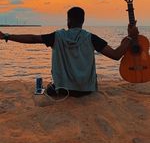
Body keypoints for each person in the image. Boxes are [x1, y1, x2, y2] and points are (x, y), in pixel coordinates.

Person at [0, 7, 139, 97]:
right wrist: (129, 37)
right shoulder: (91, 38)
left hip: (62, 90)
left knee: (48, 87)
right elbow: (116, 55)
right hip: (86, 91)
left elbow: (32, 38)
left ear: (68, 21)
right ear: (83, 21)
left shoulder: (57, 36)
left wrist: (6, 36)